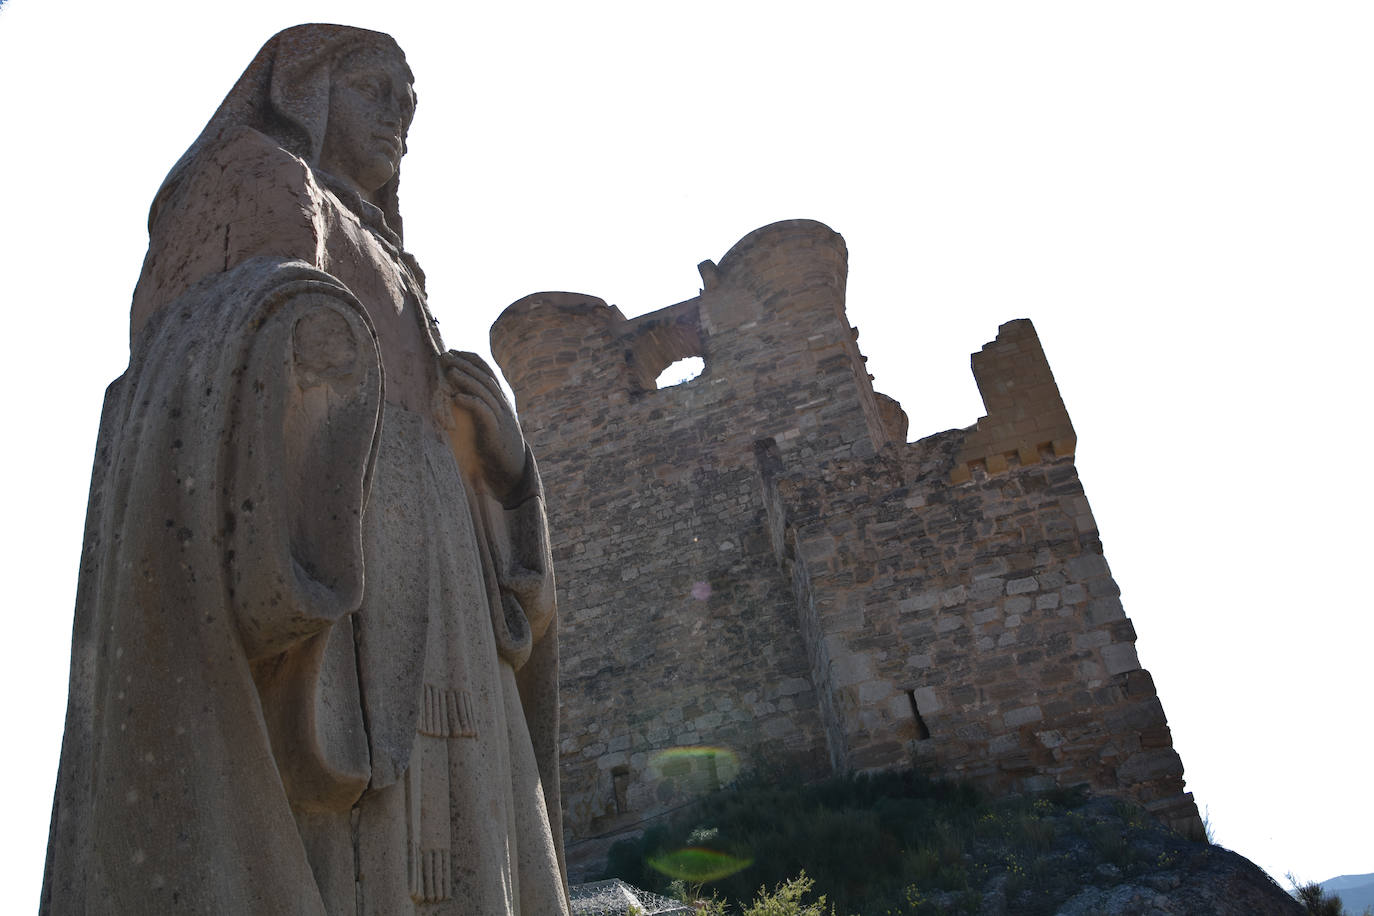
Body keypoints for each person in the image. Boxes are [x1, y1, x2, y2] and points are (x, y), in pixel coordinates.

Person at [42, 24, 569, 915]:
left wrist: (511, 479)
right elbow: (188, 349)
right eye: (375, 91)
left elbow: (521, 613)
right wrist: (297, 340)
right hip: (355, 532)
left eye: (409, 106)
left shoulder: (405, 269)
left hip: (443, 558)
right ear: (305, 91)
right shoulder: (265, 184)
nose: (398, 120)